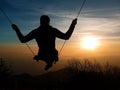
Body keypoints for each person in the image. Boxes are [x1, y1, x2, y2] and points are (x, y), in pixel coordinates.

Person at [11, 15, 77, 70]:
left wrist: (16, 29)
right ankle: (49, 62)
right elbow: (66, 37)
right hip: (51, 55)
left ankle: (48, 62)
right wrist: (73, 25)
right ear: (49, 22)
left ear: (40, 22)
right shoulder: (52, 30)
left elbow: (23, 40)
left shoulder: (36, 32)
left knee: (47, 57)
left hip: (42, 55)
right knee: (51, 57)